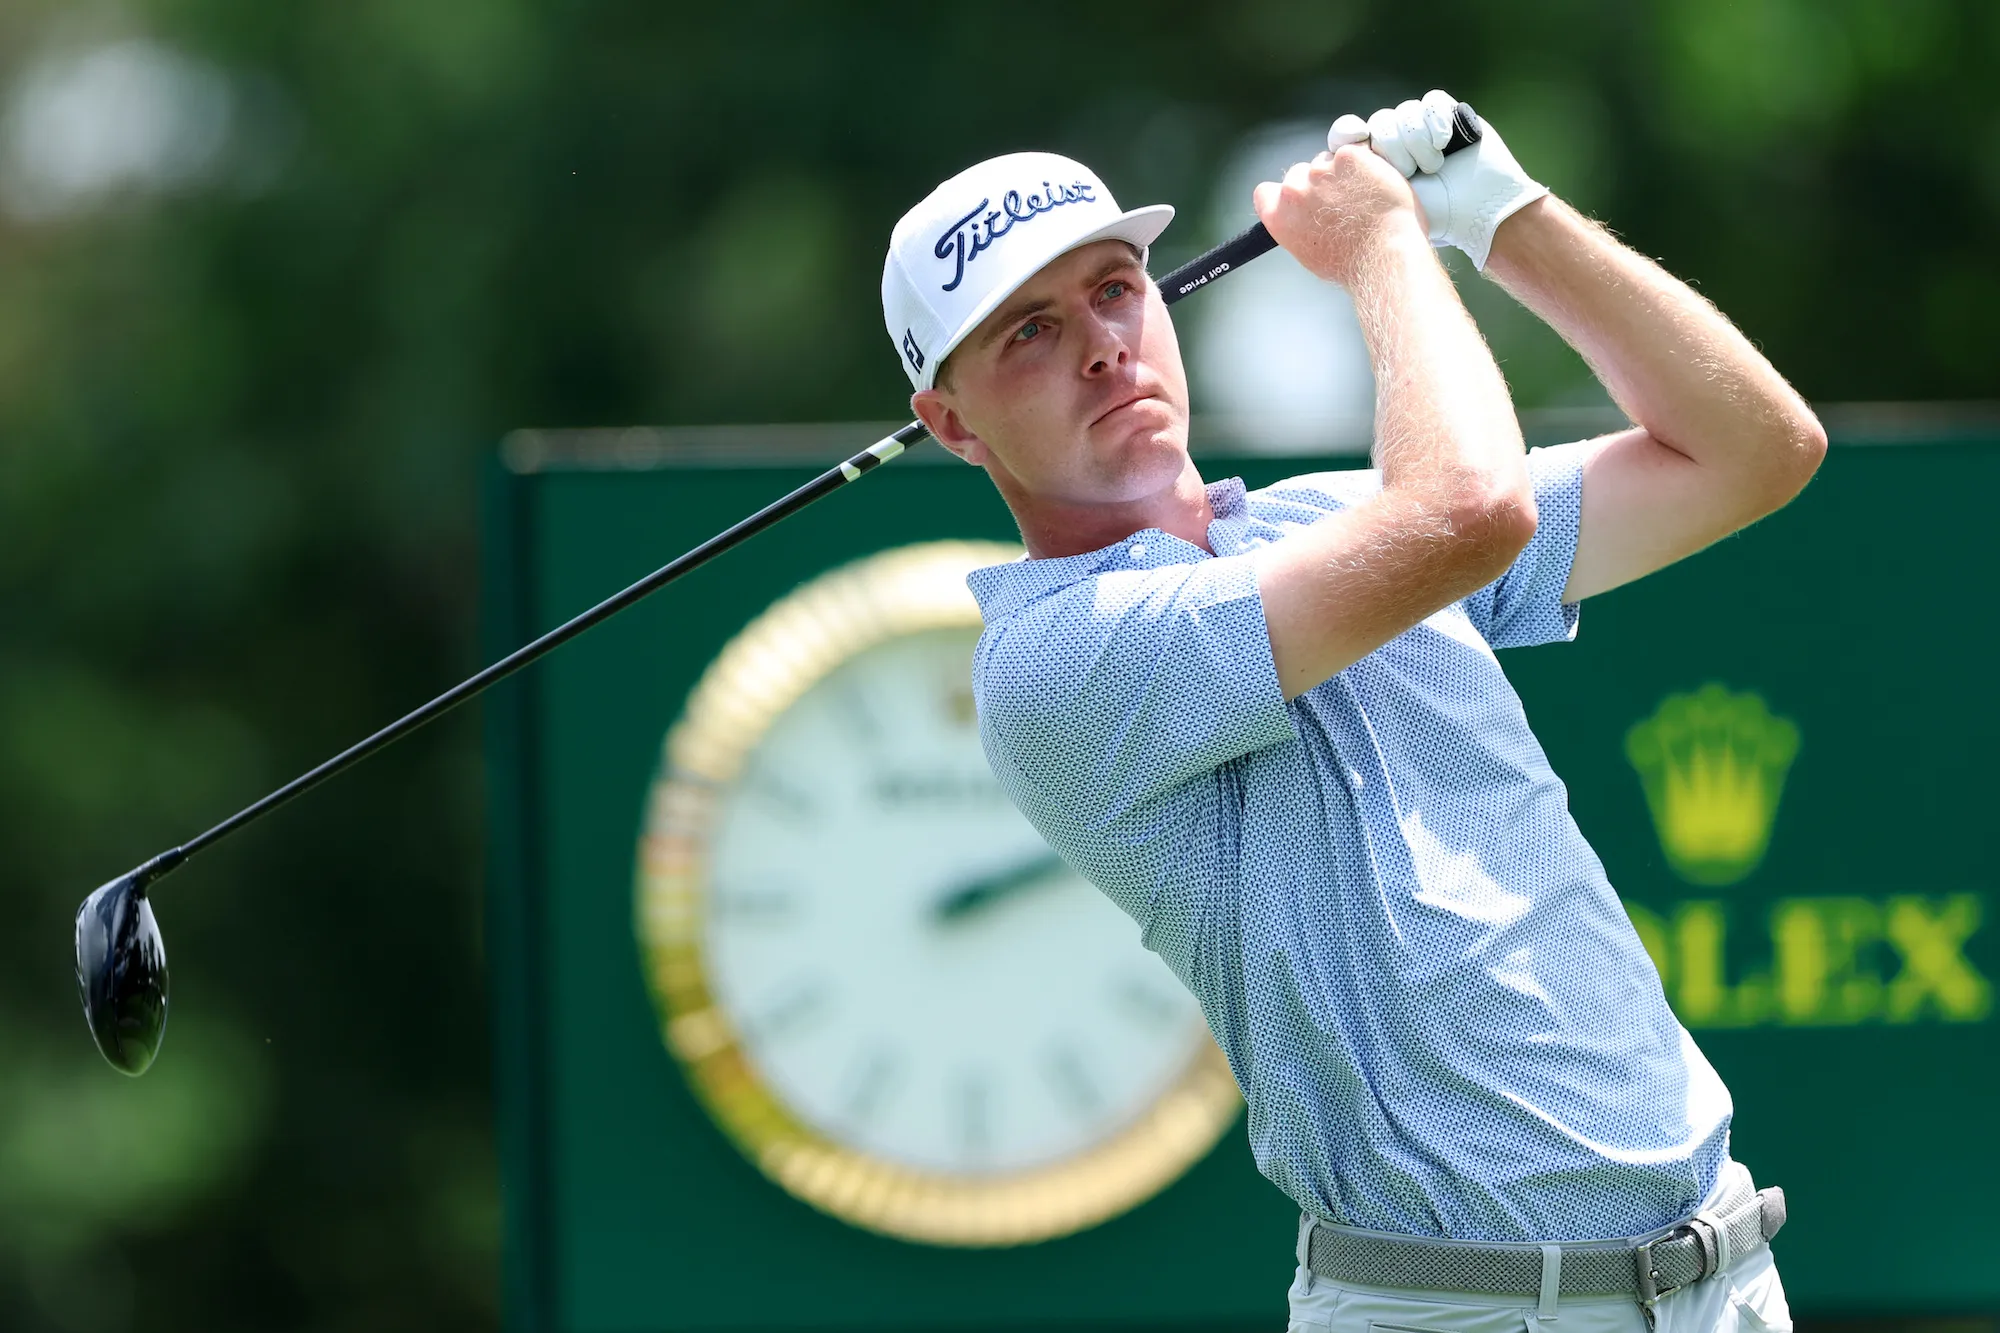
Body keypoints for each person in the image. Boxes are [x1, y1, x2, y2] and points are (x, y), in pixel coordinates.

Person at [880, 90, 1824, 1332]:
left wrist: (1501, 219)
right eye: (1029, 333)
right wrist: (1384, 244)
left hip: (1722, 1275)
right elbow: (1468, 513)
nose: (1102, 345)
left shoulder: (1332, 518)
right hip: (1455, 1311)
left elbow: (1752, 449)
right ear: (951, 424)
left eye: (1116, 289)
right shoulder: (1052, 662)